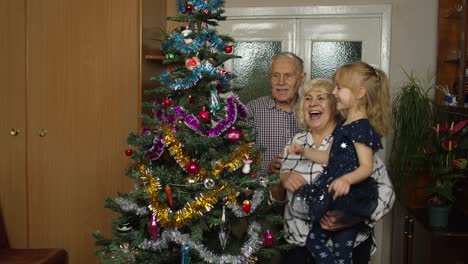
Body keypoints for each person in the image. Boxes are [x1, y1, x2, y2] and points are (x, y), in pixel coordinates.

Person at [247, 53, 394, 263]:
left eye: (321, 98)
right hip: (298, 248)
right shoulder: (295, 145)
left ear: (335, 106)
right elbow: (276, 199)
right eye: (307, 98)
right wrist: (282, 181)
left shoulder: (351, 139)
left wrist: (350, 219)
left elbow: (386, 194)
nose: (312, 103)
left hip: (346, 247)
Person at [287, 63, 391, 264]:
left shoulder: (362, 129)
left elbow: (366, 167)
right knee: (314, 241)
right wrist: (305, 151)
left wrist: (345, 179)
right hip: (334, 196)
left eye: (339, 88)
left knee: (343, 251)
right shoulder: (344, 126)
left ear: (360, 93)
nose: (334, 92)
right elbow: (329, 158)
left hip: (351, 201)